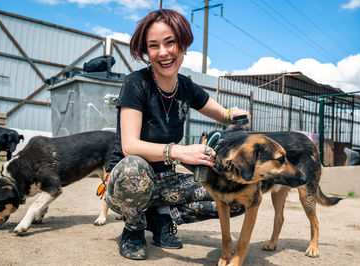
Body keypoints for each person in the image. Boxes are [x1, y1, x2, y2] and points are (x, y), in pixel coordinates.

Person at [105, 9, 251, 260]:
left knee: (236, 195)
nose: (163, 52)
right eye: (153, 46)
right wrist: (179, 151)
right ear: (146, 52)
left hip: (164, 181)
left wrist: (234, 115)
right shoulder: (135, 84)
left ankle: (161, 217)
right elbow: (129, 146)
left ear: (183, 43)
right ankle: (133, 227)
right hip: (127, 183)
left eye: (170, 42)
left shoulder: (186, 87)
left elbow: (222, 113)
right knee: (133, 166)